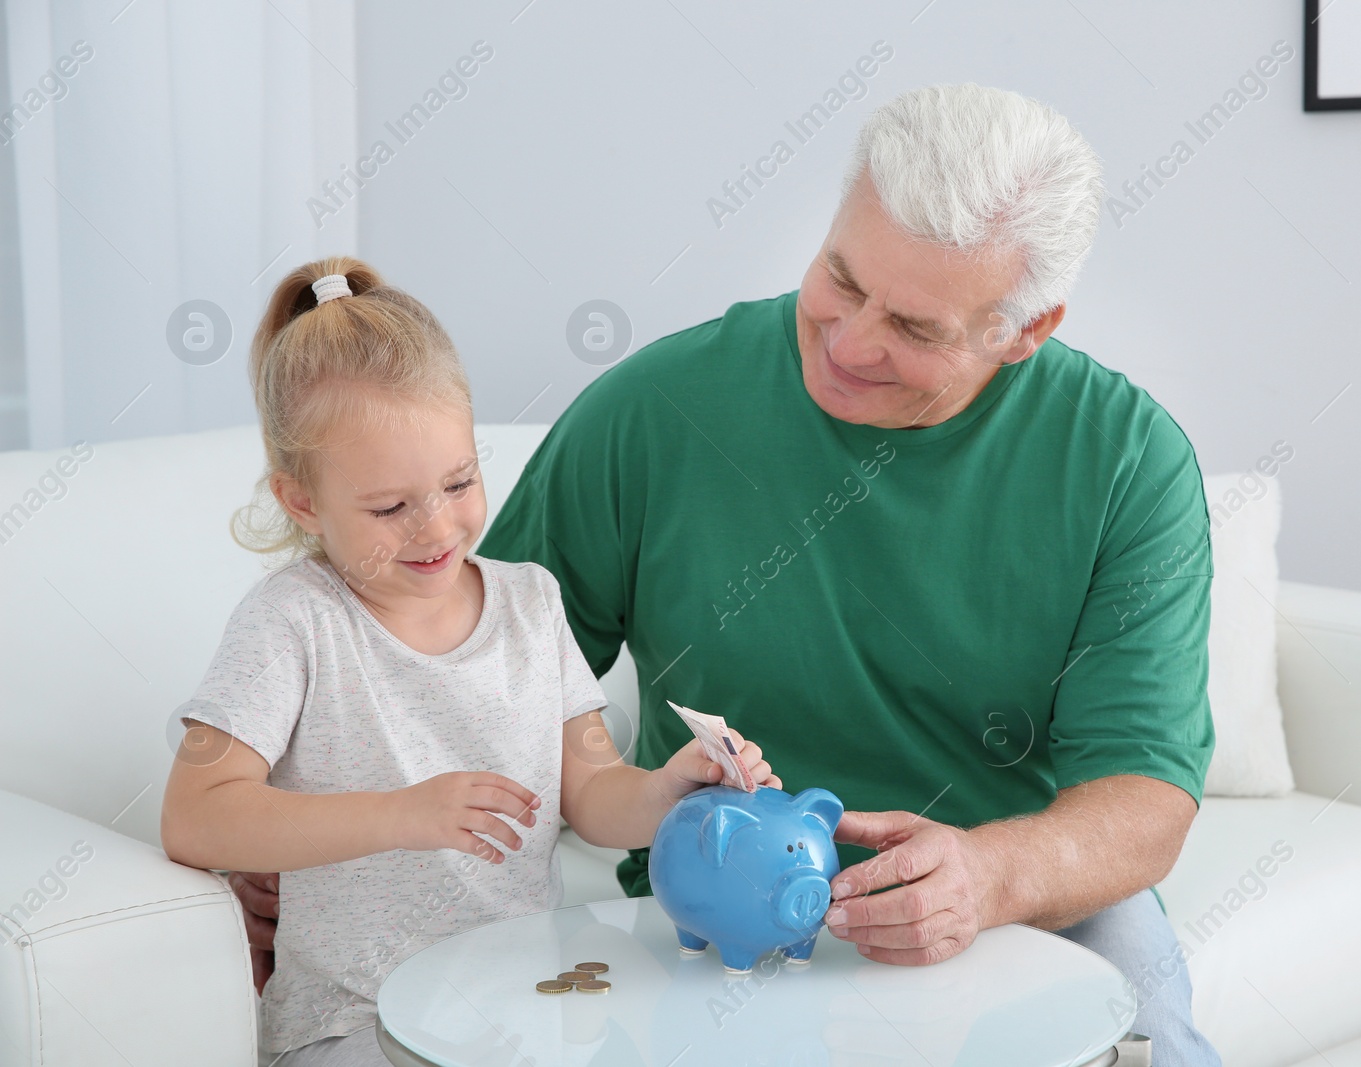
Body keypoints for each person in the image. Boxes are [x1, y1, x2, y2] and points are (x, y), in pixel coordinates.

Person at [234, 84, 1222, 1063]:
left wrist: (991, 873)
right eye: (838, 278)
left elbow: (1142, 796)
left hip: (1024, 898)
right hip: (716, 914)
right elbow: (459, 660)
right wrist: (306, 831)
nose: (847, 341)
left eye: (915, 329)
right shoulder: (654, 411)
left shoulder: (1125, 462)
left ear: (1023, 330)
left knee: (1154, 1045)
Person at [161, 257, 781, 1067]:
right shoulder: (294, 622)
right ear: (302, 501)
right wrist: (399, 814)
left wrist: (672, 786)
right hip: (356, 1023)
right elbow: (195, 815)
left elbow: (592, 793)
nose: (436, 528)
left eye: (459, 481)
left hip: (523, 1010)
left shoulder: (531, 602)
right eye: (389, 507)